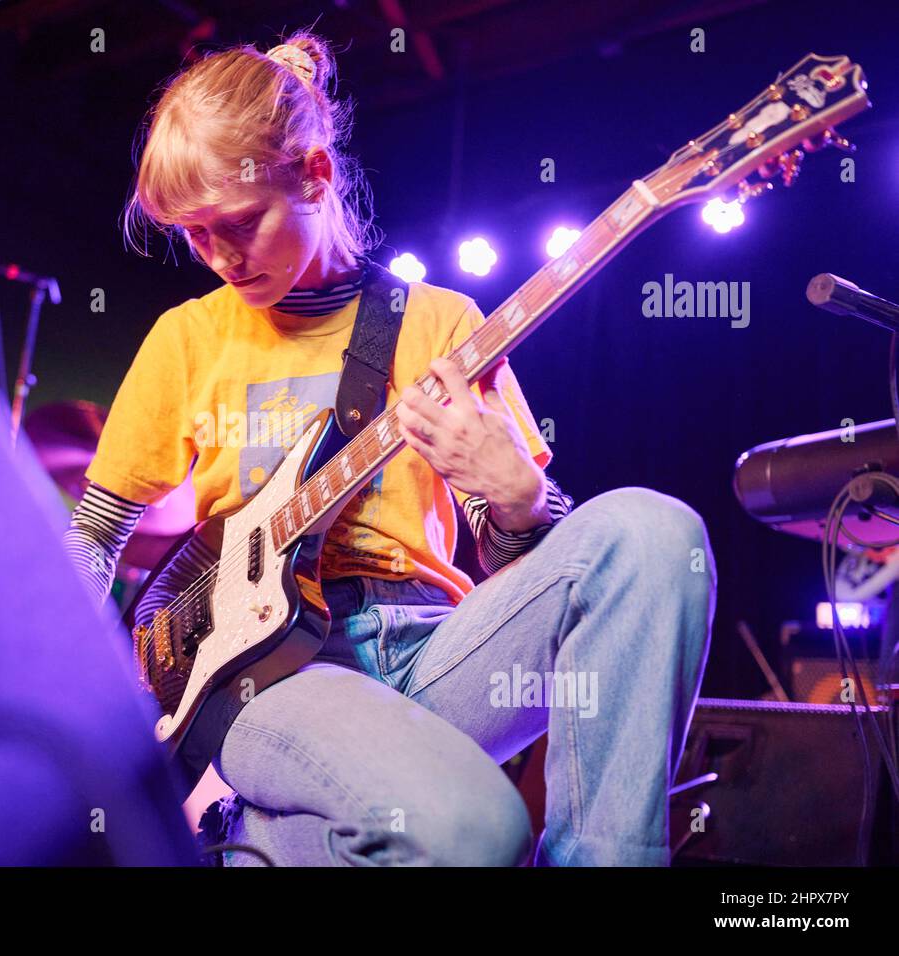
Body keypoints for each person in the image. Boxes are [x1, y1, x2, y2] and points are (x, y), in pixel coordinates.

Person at [63, 31, 715, 866]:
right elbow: (95, 535)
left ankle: (270, 839)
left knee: (650, 534)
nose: (218, 257)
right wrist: (83, 683)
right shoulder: (187, 336)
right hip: (267, 675)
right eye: (193, 235)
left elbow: (518, 557)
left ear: (315, 175)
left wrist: (520, 502)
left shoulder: (442, 323)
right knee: (469, 833)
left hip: (436, 651)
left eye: (237, 224)